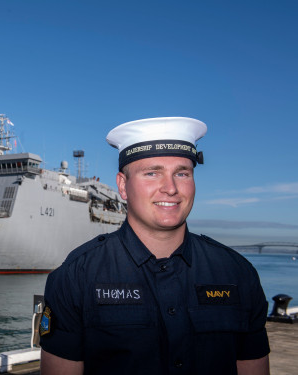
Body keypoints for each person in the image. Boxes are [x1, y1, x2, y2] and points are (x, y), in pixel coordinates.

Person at [39, 117, 270, 375]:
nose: (170, 188)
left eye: (182, 173)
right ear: (123, 187)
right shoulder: (76, 277)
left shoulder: (238, 273)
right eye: (152, 173)